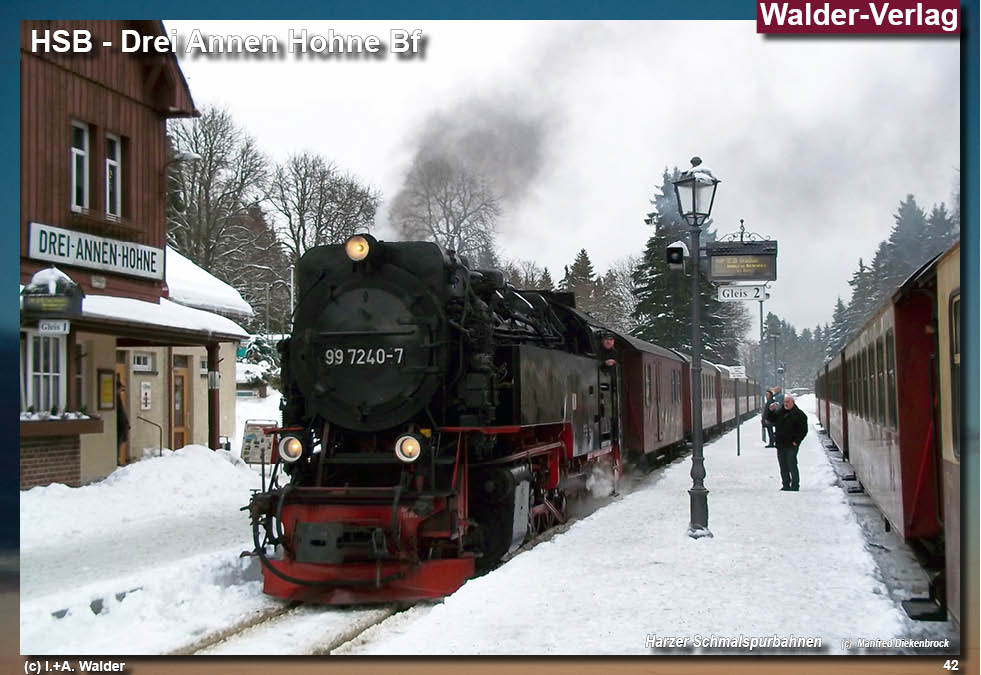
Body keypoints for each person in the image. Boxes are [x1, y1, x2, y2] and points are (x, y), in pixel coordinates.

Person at [773, 393, 808, 491]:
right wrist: (770, 411)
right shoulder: (779, 413)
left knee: (791, 464)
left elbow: (803, 430)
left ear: (793, 402)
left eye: (788, 402)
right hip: (781, 444)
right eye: (784, 402)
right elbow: (770, 420)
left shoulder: (800, 415)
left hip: (792, 444)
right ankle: (786, 484)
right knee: (783, 465)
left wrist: (796, 441)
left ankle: (795, 485)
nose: (786, 404)